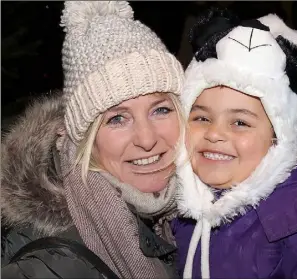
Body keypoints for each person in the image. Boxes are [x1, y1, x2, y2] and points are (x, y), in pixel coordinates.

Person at [1, 1, 185, 278]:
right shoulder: (50, 266)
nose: (147, 139)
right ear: (83, 138)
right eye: (117, 119)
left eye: (160, 110)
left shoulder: (190, 217)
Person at [172, 8, 297, 279]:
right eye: (201, 117)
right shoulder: (179, 203)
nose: (214, 134)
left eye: (240, 122)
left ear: (279, 139)